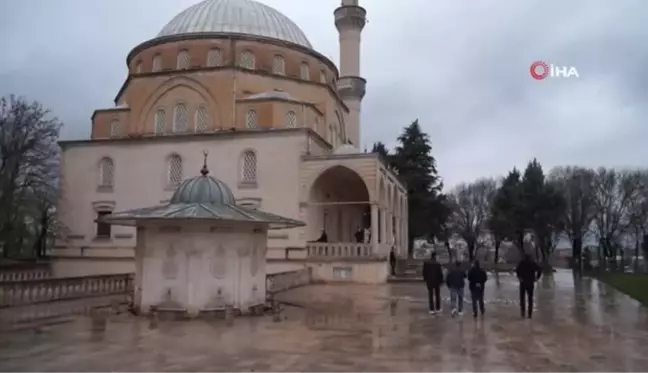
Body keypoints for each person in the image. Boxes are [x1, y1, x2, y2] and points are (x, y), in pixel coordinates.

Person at [515, 254, 542, 319]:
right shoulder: (532, 263)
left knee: (522, 298)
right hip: (530, 282)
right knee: (530, 299)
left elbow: (517, 271)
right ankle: (529, 314)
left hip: (523, 282)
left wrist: (519, 277)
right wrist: (537, 278)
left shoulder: (522, 263)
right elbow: (539, 270)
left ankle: (523, 313)